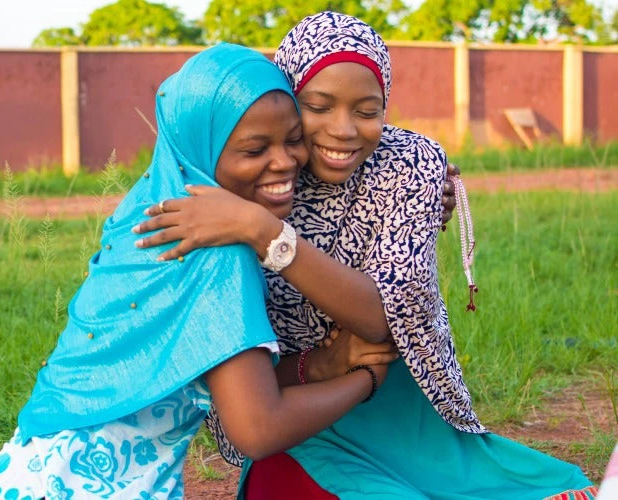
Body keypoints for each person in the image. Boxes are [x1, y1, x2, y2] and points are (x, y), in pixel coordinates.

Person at [132, 11, 596, 499]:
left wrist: (262, 231)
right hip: (292, 410)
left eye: (367, 110)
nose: (344, 130)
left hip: (397, 398)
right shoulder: (253, 171)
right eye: (317, 105)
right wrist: (323, 363)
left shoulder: (407, 163)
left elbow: (382, 318)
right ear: (287, 101)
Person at [0, 43, 397, 500]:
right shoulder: (218, 255)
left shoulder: (149, 205)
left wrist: (427, 178)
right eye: (255, 149)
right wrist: (364, 381)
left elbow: (221, 382)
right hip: (94, 486)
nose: (285, 161)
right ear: (202, 149)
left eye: (293, 139)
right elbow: (258, 427)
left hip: (24, 474)